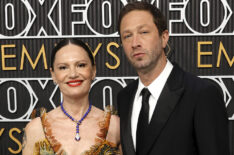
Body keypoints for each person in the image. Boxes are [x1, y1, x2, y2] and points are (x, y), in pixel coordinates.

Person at [117, 2, 229, 155]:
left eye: (143, 32)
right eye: (127, 36)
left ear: (164, 37)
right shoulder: (124, 97)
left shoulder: (202, 94)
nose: (135, 43)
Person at [22, 39, 121, 155]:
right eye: (63, 67)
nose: (73, 74)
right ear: (53, 74)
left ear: (93, 70)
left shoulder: (115, 126)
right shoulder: (35, 129)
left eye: (81, 65)